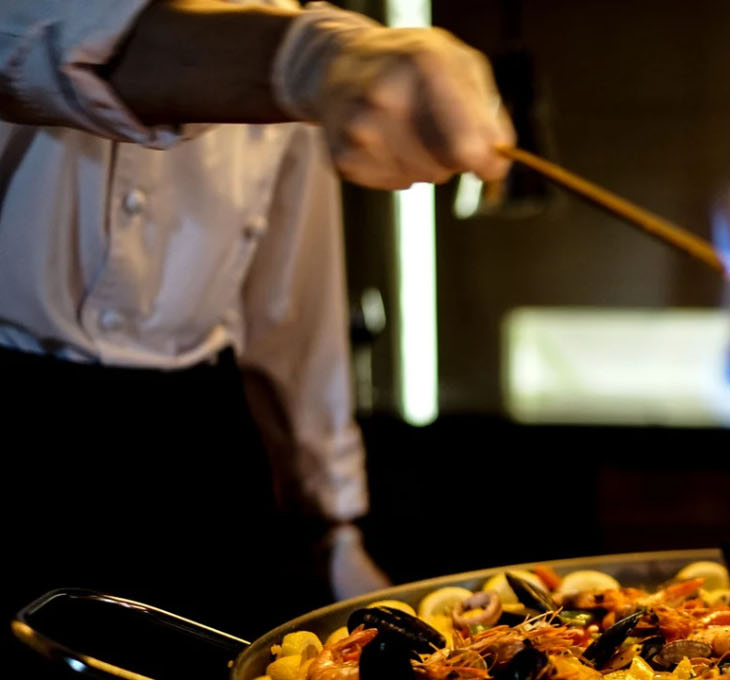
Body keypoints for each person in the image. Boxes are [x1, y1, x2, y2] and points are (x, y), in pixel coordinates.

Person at [0, 0, 515, 634]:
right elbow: (28, 38)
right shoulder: (303, 40)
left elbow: (291, 293)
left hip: (202, 440)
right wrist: (305, 57)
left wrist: (333, 519)